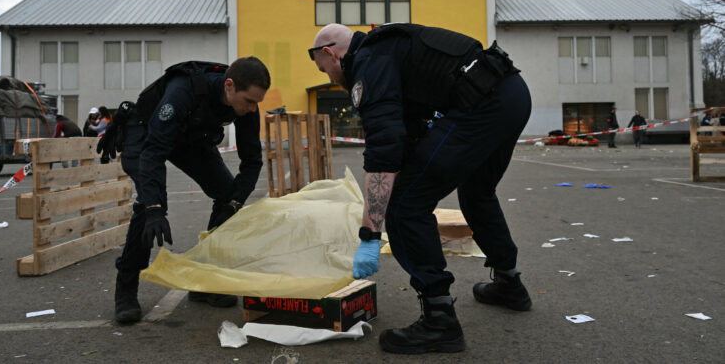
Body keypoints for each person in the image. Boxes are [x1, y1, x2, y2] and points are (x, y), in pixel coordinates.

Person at [309, 23, 532, 354]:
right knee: (477, 192)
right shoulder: (387, 51)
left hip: (483, 105)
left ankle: (439, 319)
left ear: (330, 53)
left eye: (322, 68)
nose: (327, 76)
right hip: (511, 95)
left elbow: (384, 146)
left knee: (404, 206)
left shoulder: (370, 61)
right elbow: (410, 134)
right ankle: (509, 283)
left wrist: (370, 235)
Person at [97, 57, 270, 324]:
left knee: (226, 195)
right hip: (146, 132)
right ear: (230, 86)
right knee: (149, 207)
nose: (252, 108)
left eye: (256, 102)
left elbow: (252, 161)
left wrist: (234, 204)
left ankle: (204, 280)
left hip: (189, 138)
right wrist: (155, 208)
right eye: (248, 101)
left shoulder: (247, 105)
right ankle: (126, 288)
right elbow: (154, 152)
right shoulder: (182, 91)